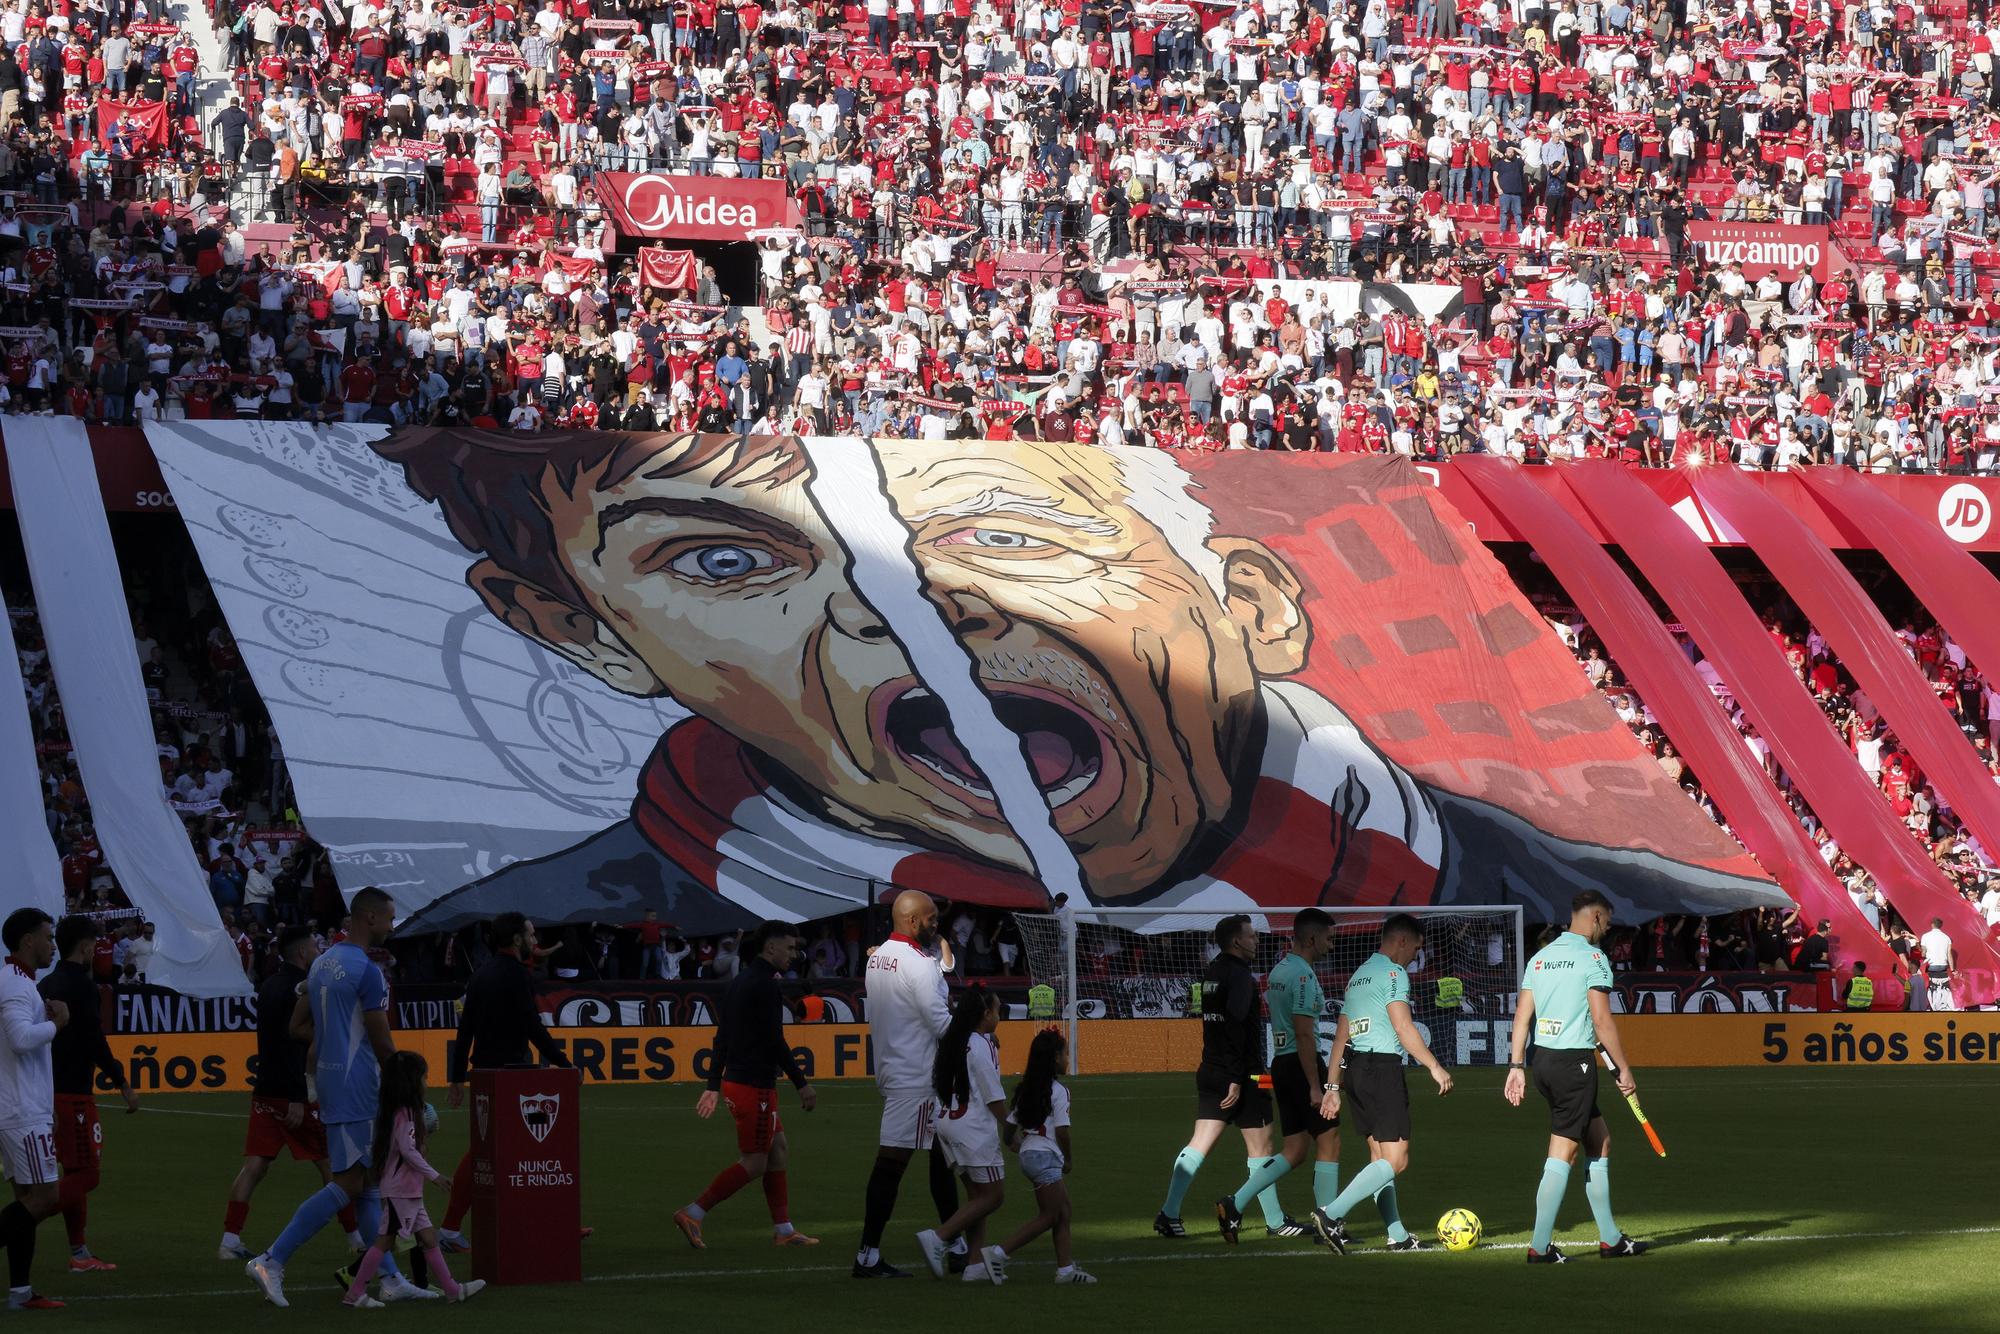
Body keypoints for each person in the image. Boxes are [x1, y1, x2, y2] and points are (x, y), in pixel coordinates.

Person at [374, 435, 1783, 940]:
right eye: (731, 560)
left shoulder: (1614, 896)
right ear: (584, 633)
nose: (907, 615)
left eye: (999, 532)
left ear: (1251, 603)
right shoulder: (524, 926)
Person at [247, 888, 435, 1307]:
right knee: (349, 1183)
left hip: (333, 1081)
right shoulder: (367, 971)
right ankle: (271, 1259)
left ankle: (389, 1278)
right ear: (370, 917)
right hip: (358, 1086)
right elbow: (382, 1042)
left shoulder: (322, 963)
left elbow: (297, 1027)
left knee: (367, 1185)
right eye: (389, 918)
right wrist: (410, 1096)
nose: (392, 926)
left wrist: (335, 1036)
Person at [1502, 891, 1649, 1263]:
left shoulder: (1540, 957)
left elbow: (1521, 1017)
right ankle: (1539, 1247)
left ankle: (1611, 1240)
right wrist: (1624, 1069)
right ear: (1596, 917)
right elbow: (1601, 1021)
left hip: (1543, 1062)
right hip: (1573, 1066)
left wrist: (1516, 1066)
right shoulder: (1593, 958)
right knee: (1563, 1152)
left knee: (1599, 1140)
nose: (1608, 929)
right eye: (1608, 922)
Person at [1306, 913, 1453, 1253]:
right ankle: (1331, 1214)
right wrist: (1434, 1065)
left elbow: (1340, 1038)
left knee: (1379, 1159)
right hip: (1382, 1069)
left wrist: (1332, 1087)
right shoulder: (1393, 974)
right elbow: (1403, 1027)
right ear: (1402, 941)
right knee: (1397, 1160)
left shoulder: (1359, 976)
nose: (1415, 955)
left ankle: (1397, 1235)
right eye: (1416, 947)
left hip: (1357, 1070)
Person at [220, 927, 364, 1261]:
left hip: (265, 1089)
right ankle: (356, 1237)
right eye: (314, 946)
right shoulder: (302, 989)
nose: (318, 950)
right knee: (332, 1167)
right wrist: (300, 1095)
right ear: (302, 953)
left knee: (255, 1165)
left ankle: (229, 1239)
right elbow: (293, 1045)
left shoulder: (268, 985)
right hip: (293, 1093)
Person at [674, 921, 819, 1249]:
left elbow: (722, 1036)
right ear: (771, 947)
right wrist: (801, 1083)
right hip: (754, 1086)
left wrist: (713, 1083)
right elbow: (774, 1040)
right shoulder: (765, 985)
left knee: (778, 1150)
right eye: (789, 947)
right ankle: (693, 1212)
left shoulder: (741, 981)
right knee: (755, 1161)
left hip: (740, 1082)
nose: (793, 954)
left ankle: (784, 1230)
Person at [435, 913, 570, 1253]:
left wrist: (457, 1077)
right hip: (512, 1076)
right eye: (530, 934)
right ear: (516, 939)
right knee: (527, 1151)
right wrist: (565, 1064)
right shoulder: (516, 974)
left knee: (492, 1151)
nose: (534, 939)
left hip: (485, 1072)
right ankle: (542, 1224)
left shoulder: (481, 974)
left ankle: (458, 1227)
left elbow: (465, 1030)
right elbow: (532, 1027)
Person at [853, 890, 960, 1279]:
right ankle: (867, 1256)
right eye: (931, 919)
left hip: (897, 1068)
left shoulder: (878, 957)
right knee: (892, 1165)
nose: (936, 924)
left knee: (942, 1158)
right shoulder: (920, 965)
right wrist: (978, 1035)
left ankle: (957, 1245)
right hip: (918, 1077)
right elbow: (941, 1024)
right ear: (912, 921)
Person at [1155, 915, 1276, 1241]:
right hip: (1247, 1074)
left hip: (1211, 1068)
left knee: (1199, 1143)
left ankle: (1169, 1212)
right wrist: (1238, 1076)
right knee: (1264, 1145)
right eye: (1251, 935)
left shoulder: (1212, 972)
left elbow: (1219, 1024)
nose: (1256, 940)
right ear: (1237, 941)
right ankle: (1276, 1220)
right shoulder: (1241, 977)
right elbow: (1235, 1025)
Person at [341, 1053, 486, 1306]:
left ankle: (453, 1290)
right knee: (384, 1241)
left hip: (407, 1191)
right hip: (401, 1191)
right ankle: (354, 1295)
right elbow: (408, 1151)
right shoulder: (406, 1113)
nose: (426, 1083)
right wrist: (435, 1176)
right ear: (411, 1082)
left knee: (429, 1238)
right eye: (424, 1078)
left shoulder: (397, 1111)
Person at [37, 915, 138, 1273]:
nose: (96, 949)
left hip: (45, 1090)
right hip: (73, 1094)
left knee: (75, 1169)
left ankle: (79, 1253)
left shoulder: (46, 983)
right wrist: (123, 1083)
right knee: (87, 1175)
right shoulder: (82, 986)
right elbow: (95, 1042)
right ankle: (19, 1220)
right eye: (94, 943)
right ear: (84, 946)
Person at [1239, 908, 1337, 1239]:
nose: (1331, 945)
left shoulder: (1280, 969)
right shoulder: (1303, 976)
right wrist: (1315, 1085)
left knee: (1295, 1150)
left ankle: (1235, 1202)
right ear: (1311, 938)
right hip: (1302, 1063)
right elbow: (1305, 1033)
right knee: (1329, 1140)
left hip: (1282, 1062)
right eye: (1328, 939)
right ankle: (1328, 1222)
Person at [914, 988, 1008, 1283]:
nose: (1000, 1016)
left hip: (947, 1122)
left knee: (976, 1198)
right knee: (993, 1196)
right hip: (973, 1128)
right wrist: (1011, 1128)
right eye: (997, 1010)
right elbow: (992, 1094)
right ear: (985, 1014)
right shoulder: (980, 1044)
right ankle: (939, 1237)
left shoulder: (957, 1039)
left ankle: (974, 1264)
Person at [0, 908, 67, 1310]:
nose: (53, 945)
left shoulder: (19, 982)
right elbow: (22, 1040)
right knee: (45, 1197)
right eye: (48, 937)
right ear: (28, 940)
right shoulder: (14, 984)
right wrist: (58, 1023)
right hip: (21, 1111)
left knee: (26, 1198)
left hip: (24, 1106)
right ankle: (21, 1293)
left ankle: (21, 1293)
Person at [994, 1027, 1092, 1282]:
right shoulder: (1059, 1091)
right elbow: (1062, 1131)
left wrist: (1012, 1143)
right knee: (1050, 1215)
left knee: (1064, 1210)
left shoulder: (1026, 1088)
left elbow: (1010, 1124)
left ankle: (1065, 1270)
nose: (1068, 1059)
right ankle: (998, 1253)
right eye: (1065, 1054)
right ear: (1055, 1058)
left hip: (1030, 1154)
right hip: (1045, 1157)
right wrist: (1068, 1159)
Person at [1919, 917, 1957, 1012]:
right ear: (1941, 926)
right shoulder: (1947, 938)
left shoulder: (1925, 936)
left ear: (1932, 924)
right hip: (1943, 966)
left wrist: (1920, 949)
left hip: (1931, 967)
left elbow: (1923, 953)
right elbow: (1949, 954)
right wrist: (1952, 969)